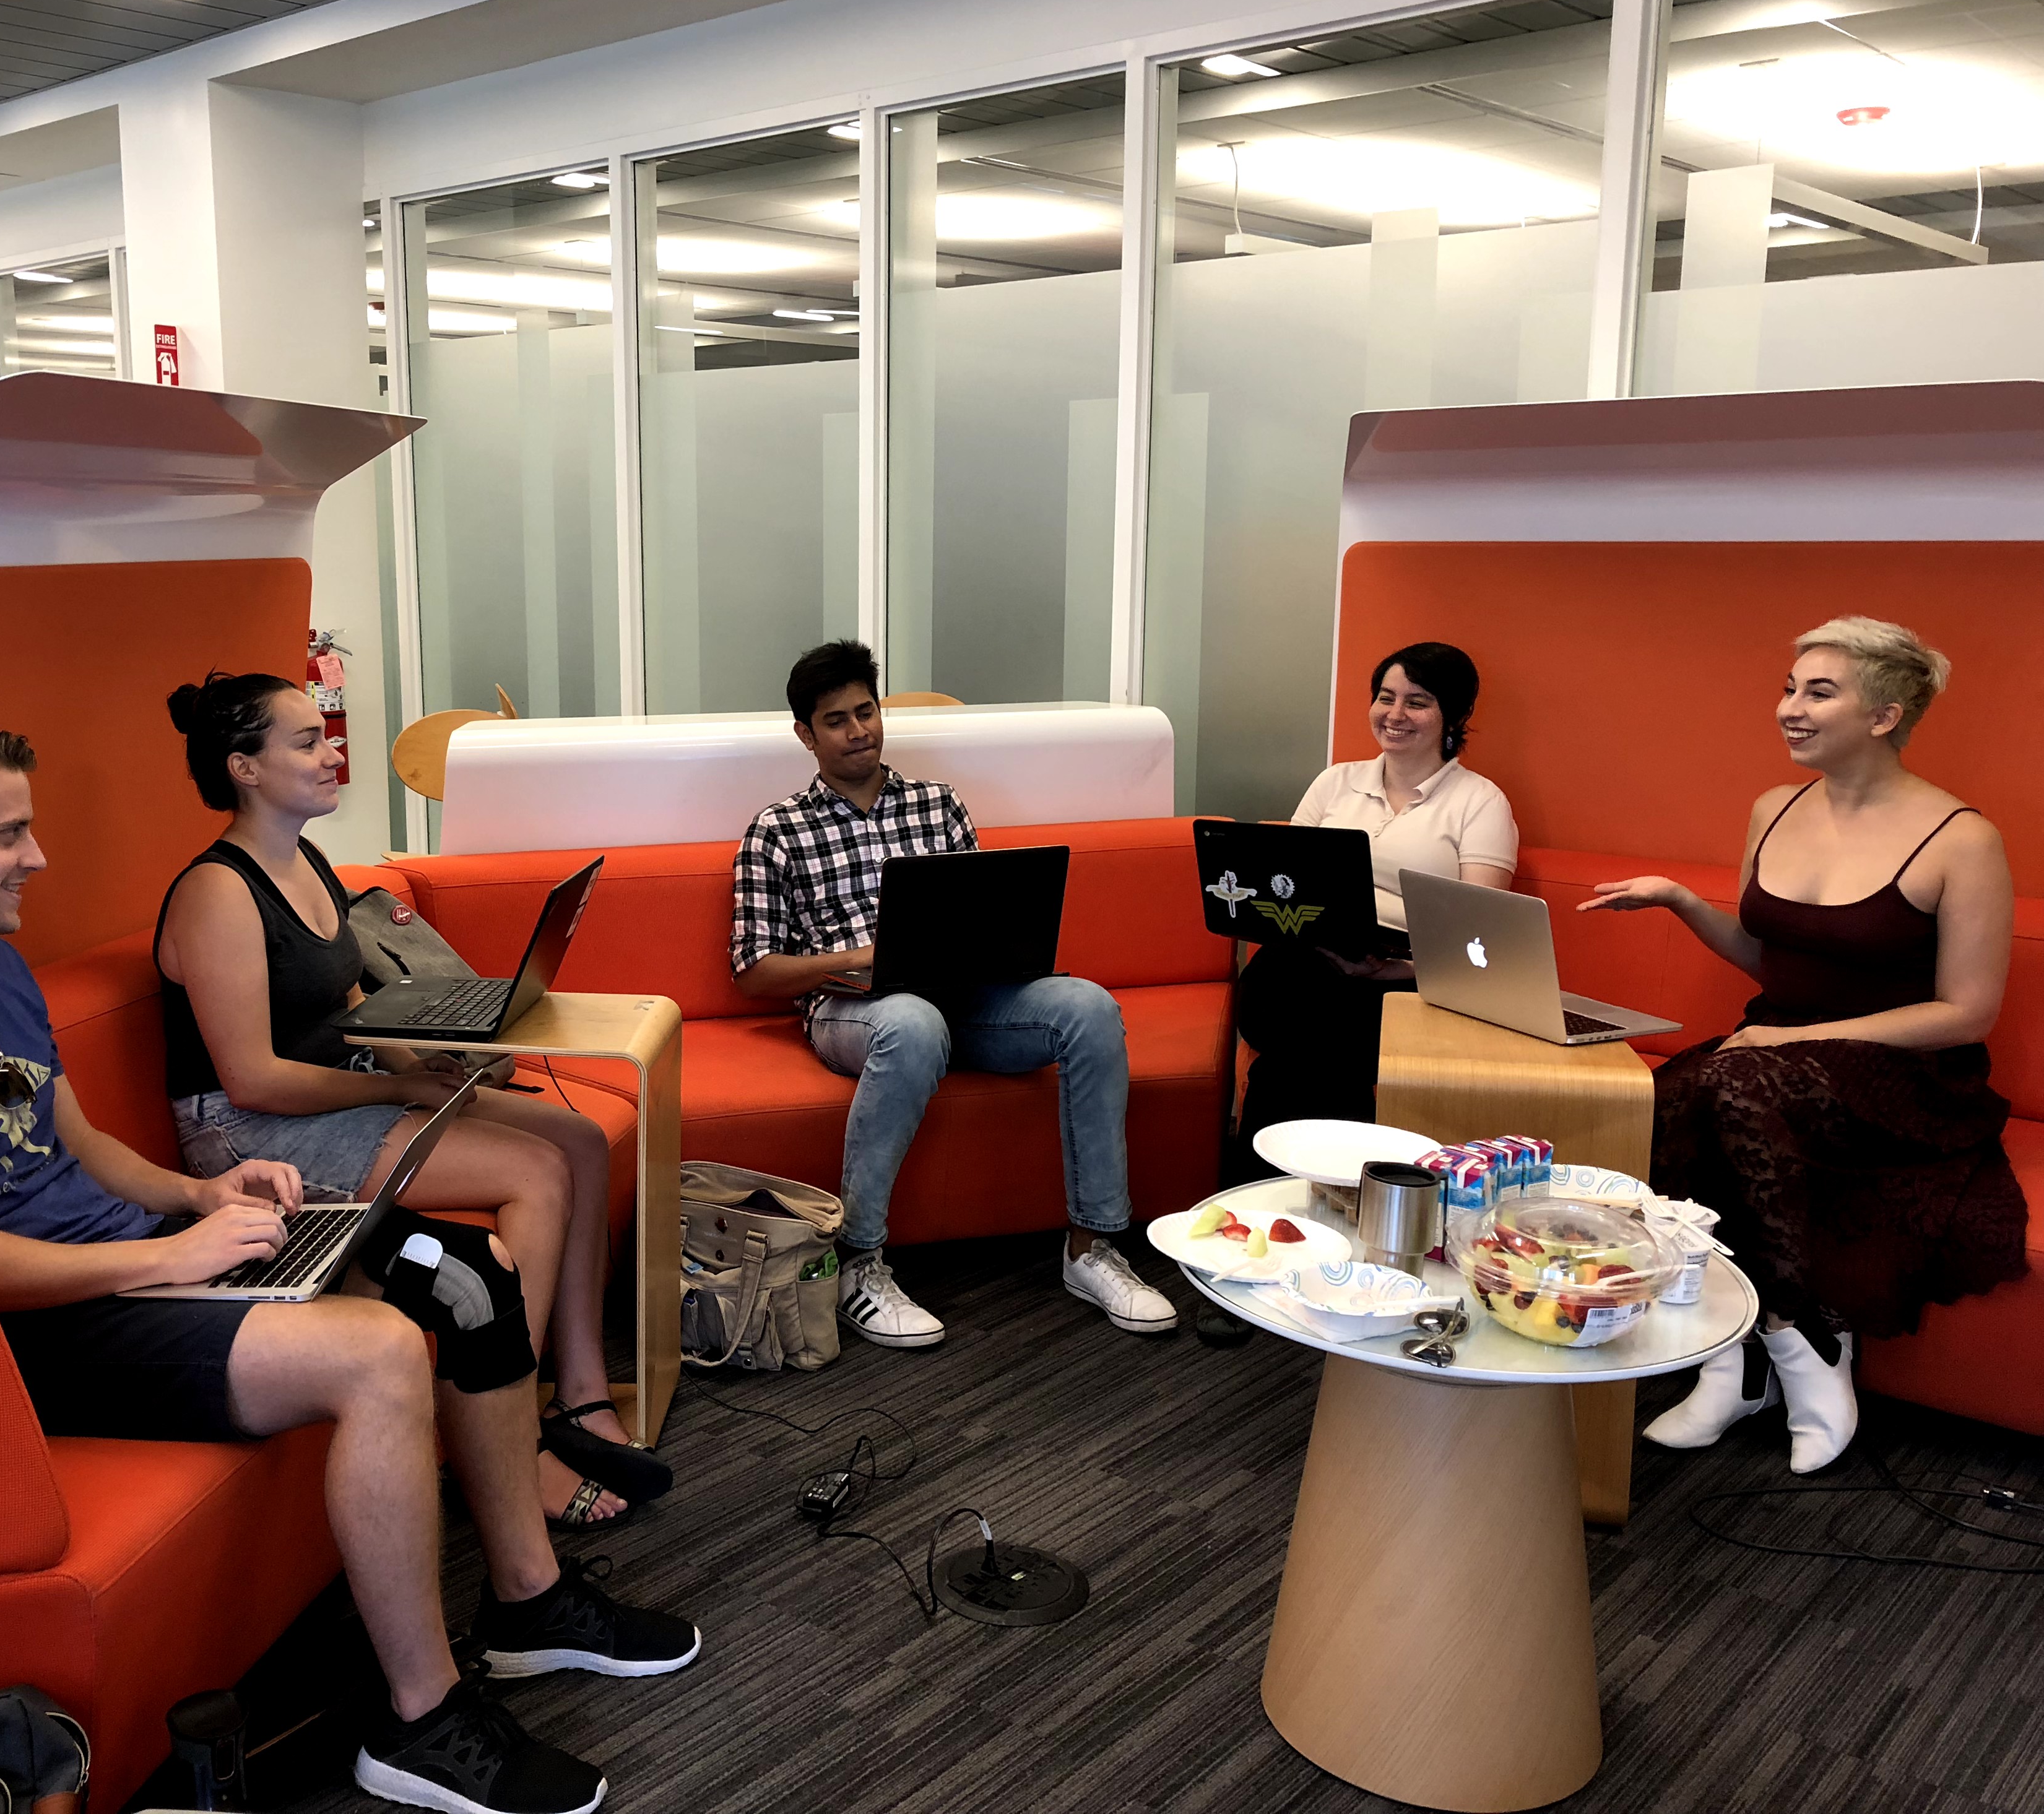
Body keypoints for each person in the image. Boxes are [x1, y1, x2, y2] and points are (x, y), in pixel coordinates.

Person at [0, 700, 696, 1814]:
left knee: (470, 1280)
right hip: (41, 1329)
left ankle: (527, 1600)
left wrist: (200, 1192)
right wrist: (170, 1258)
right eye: (9, 832)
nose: (37, 855)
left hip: (136, 1253)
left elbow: (81, 1142)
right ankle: (422, 1721)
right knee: (381, 1352)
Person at [154, 672, 669, 1530]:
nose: (332, 754)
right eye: (307, 741)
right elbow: (251, 1079)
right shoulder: (218, 891)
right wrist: (403, 1086)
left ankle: (576, 1397)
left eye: (325, 736)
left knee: (578, 1141)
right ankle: (505, 1444)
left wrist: (434, 1076)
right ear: (243, 768)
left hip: (340, 1097)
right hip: (250, 1134)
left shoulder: (307, 862)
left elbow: (349, 1004)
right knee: (536, 1175)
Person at [1585, 619, 2027, 1474]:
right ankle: (1735, 1358)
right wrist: (1682, 901)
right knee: (1681, 1092)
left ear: (1885, 715)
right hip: (1771, 1059)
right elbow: (1767, 956)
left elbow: (1968, 1011)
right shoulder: (1773, 809)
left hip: (1908, 1073)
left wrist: (1805, 1036)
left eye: (1818, 692)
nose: (1788, 708)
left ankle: (1799, 1341)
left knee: (1730, 1082)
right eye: (1789, 688)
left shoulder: (1963, 839)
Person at [730, 639, 1178, 1347]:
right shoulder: (777, 831)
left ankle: (1093, 1249)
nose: (860, 732)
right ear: (805, 735)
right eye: (838, 720)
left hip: (965, 998)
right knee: (909, 1023)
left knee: (1088, 1006)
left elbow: (984, 917)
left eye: (867, 712)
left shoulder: (939, 806)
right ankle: (860, 1263)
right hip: (854, 1010)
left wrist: (1010, 953)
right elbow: (753, 971)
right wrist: (856, 960)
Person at [1231, 642, 1517, 1159]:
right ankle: (1340, 1189)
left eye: (1417, 701)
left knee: (1292, 1061)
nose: (1395, 715)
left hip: (1409, 974)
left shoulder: (1480, 801)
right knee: (1283, 990)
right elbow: (1286, 878)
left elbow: (1482, 934)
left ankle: (1269, 1185)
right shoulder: (1335, 782)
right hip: (1309, 958)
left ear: (1454, 714)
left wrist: (1392, 969)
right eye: (1386, 697)